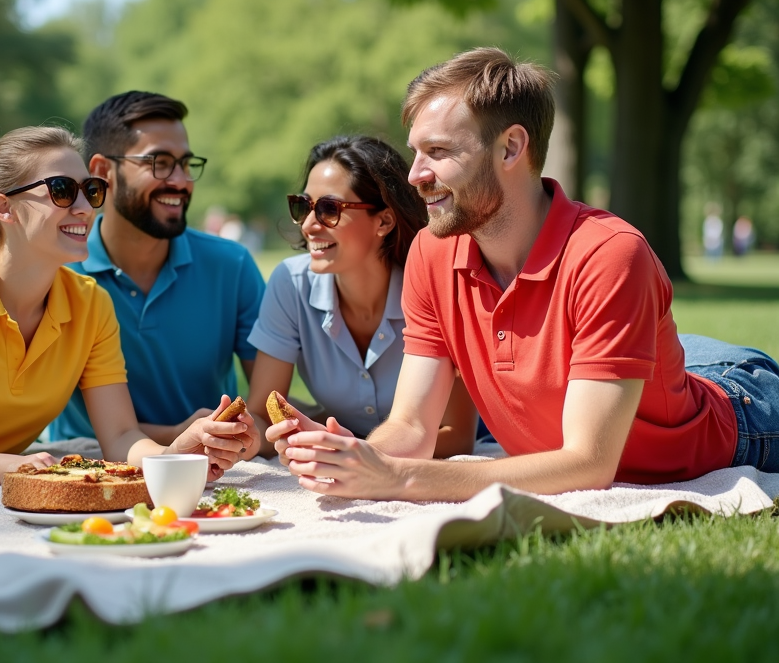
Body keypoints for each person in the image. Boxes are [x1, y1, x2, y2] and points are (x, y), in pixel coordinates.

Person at [266, 47, 779, 500]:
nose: (415, 175)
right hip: (644, 373)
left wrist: (399, 479)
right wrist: (354, 455)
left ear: (511, 147)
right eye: (416, 151)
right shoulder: (431, 251)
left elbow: (588, 463)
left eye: (439, 152)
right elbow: (411, 427)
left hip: (745, 412)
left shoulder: (610, 254)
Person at [0, 126, 252, 485]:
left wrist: (176, 453)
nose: (85, 208)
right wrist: (18, 468)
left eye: (91, 191)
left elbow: (122, 437)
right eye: (61, 190)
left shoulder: (92, 305)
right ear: (4, 208)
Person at [47, 92, 265, 445]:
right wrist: (176, 438)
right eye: (159, 163)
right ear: (103, 171)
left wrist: (223, 435)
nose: (180, 181)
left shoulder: (232, 266)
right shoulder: (57, 273)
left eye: (185, 163)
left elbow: (266, 409)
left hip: (211, 469)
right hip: (79, 467)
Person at [246, 135, 477, 458]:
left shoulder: (435, 288)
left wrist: (354, 453)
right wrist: (236, 436)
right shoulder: (290, 283)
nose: (309, 225)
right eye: (303, 206)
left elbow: (458, 437)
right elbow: (262, 416)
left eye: (329, 209)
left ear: (383, 220)